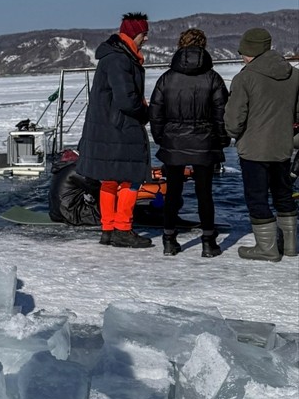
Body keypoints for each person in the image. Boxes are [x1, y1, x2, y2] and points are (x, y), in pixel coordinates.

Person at [148, 28, 229, 258]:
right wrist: (222, 140)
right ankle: (208, 241)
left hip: (173, 140)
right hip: (205, 141)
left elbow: (156, 112)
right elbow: (221, 113)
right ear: (203, 46)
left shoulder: (167, 78)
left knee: (173, 191)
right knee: (205, 193)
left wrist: (161, 138)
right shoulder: (213, 78)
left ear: (180, 45)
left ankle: (169, 239)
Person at [75, 13, 153, 248]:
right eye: (143, 34)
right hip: (119, 129)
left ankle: (108, 228)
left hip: (107, 128)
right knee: (132, 178)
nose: (146, 39)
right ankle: (122, 228)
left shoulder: (114, 56)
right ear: (133, 34)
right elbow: (126, 99)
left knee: (109, 179)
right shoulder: (120, 59)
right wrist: (145, 112)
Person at [224, 27, 299, 262]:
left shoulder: (244, 77)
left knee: (256, 197)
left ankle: (267, 248)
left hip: (254, 148)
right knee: (283, 194)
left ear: (249, 51)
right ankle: (290, 245)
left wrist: (232, 133)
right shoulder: (294, 75)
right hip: (283, 145)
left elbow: (234, 119)